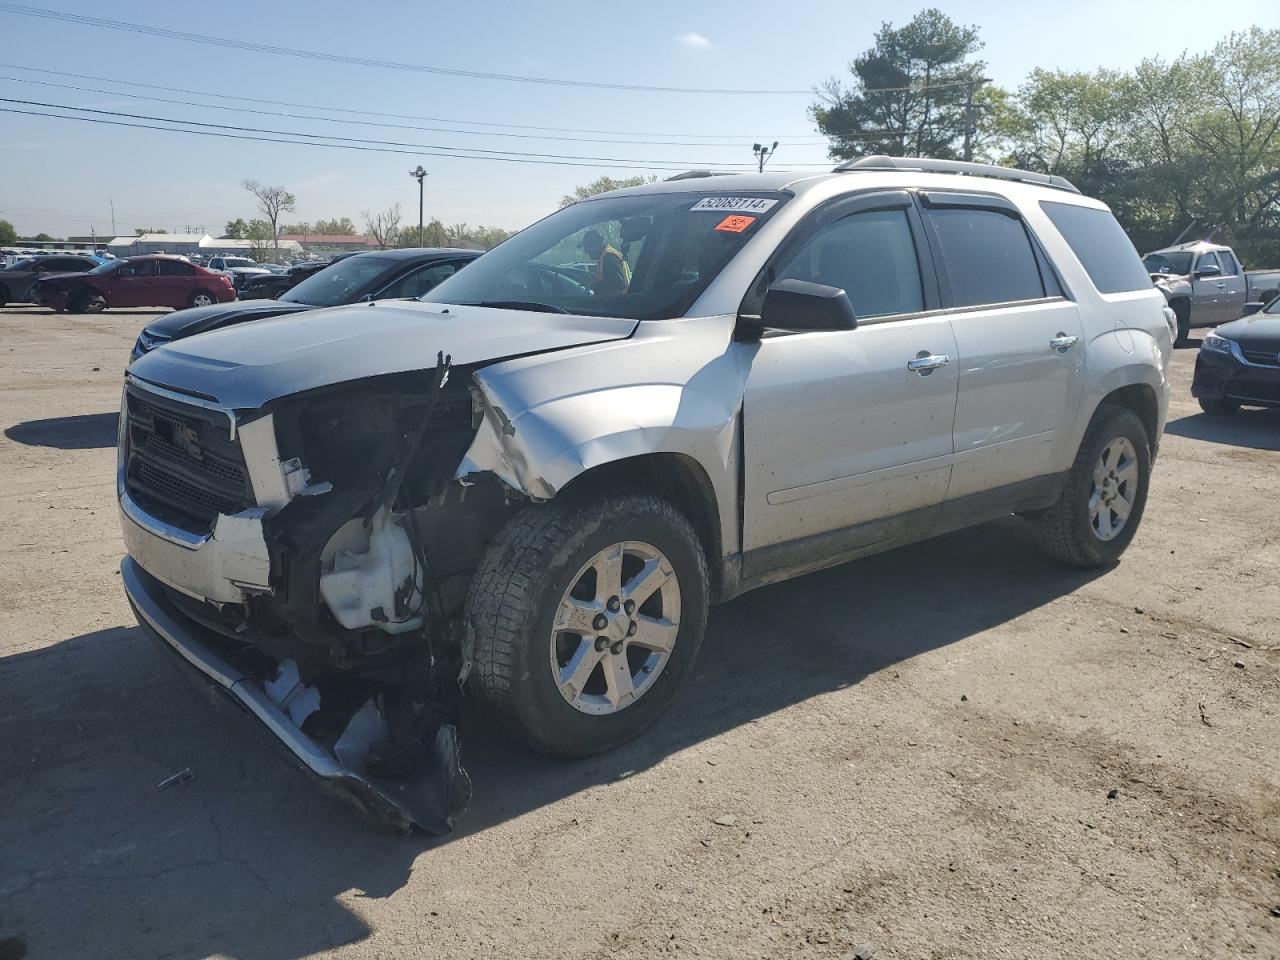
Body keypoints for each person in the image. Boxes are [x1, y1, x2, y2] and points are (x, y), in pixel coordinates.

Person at [581, 229, 630, 295]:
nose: (586, 252)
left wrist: (593, 285)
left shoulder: (608, 257)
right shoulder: (607, 255)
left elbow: (616, 285)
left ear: (595, 245)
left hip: (617, 302)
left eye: (587, 248)